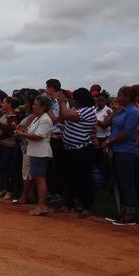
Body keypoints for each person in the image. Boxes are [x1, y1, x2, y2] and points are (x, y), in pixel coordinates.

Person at [101, 86, 139, 226]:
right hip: (117, 149)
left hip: (126, 150)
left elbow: (127, 133)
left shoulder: (133, 112)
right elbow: (108, 123)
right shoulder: (123, 110)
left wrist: (109, 142)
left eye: (119, 95)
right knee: (119, 181)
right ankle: (122, 212)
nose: (117, 98)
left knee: (127, 182)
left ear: (127, 97)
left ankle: (129, 215)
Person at [57, 88, 97, 217]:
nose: (72, 100)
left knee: (84, 178)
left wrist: (62, 103)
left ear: (80, 99)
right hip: (70, 149)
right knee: (69, 178)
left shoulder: (88, 110)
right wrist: (60, 104)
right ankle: (69, 203)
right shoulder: (77, 109)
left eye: (74, 98)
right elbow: (63, 119)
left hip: (82, 149)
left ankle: (86, 206)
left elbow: (68, 116)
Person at [15, 95, 54, 216]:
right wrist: (23, 132)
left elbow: (38, 136)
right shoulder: (39, 118)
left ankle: (42, 206)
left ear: (43, 107)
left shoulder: (45, 119)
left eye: (36, 105)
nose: (33, 106)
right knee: (38, 178)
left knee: (40, 179)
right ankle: (41, 205)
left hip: (40, 152)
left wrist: (22, 134)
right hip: (36, 151)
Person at [0, 96, 20, 201]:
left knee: (7, 168)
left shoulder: (13, 116)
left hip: (9, 145)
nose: (2, 104)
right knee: (2, 167)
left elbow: (10, 130)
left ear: (9, 104)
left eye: (4, 102)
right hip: (2, 144)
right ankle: (5, 188)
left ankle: (10, 191)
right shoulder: (5, 114)